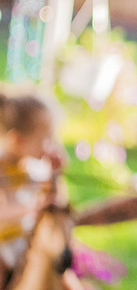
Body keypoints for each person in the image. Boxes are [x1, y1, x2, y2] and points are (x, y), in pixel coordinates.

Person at [0, 93, 66, 287]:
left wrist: (55, 174)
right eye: (46, 140)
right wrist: (33, 206)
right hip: (2, 244)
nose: (51, 147)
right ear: (18, 140)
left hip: (24, 242)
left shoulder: (34, 168)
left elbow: (55, 204)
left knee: (57, 270)